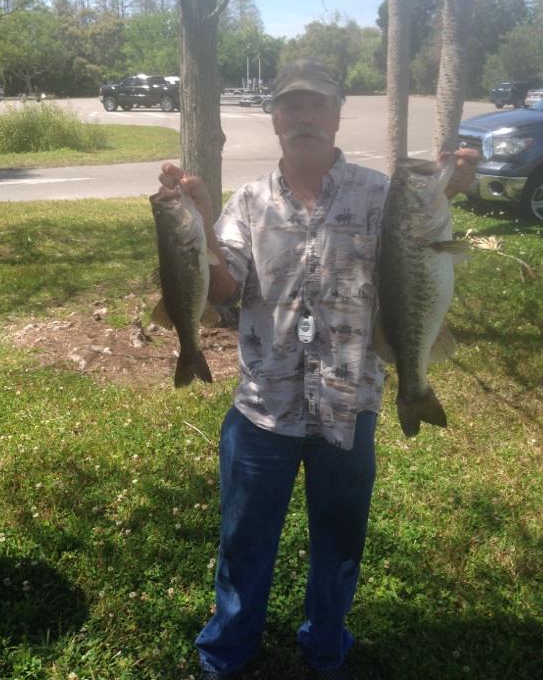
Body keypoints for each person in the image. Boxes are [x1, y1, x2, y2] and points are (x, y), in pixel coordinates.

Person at [158, 59, 479, 680]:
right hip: (263, 408)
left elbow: (420, 245)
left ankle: (325, 648)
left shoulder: (381, 194)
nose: (304, 116)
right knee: (244, 541)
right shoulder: (249, 201)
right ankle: (228, 652)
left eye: (316, 105)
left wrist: (452, 184)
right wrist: (200, 218)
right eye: (291, 106)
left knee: (339, 544)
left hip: (348, 405)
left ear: (336, 115)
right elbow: (222, 291)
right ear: (275, 118)